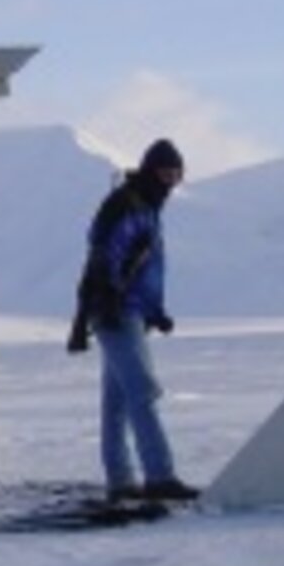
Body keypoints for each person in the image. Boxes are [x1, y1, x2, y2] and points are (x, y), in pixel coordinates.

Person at [67, 138, 200, 502]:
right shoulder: (129, 205)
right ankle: (160, 477)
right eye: (166, 173)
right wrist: (109, 297)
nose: (171, 181)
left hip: (130, 311)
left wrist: (155, 312)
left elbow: (142, 267)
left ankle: (121, 480)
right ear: (150, 170)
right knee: (142, 392)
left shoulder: (145, 206)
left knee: (119, 400)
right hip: (116, 311)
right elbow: (108, 252)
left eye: (177, 174)